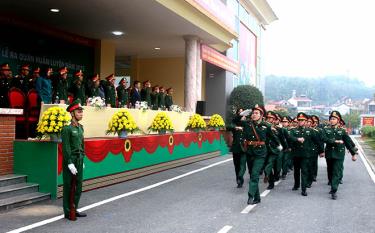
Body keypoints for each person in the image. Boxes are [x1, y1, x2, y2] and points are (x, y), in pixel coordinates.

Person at [240, 105, 281, 205]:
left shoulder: (265, 125)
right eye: (253, 113)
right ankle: (257, 198)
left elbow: (273, 137)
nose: (254, 115)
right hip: (249, 152)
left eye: (256, 113)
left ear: (261, 115)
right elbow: (236, 120)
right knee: (252, 175)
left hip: (261, 154)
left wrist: (279, 145)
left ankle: (250, 196)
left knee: (254, 175)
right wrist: (243, 113)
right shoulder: (248, 124)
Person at [320, 111, 357, 200]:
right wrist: (335, 141)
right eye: (331, 119)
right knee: (330, 170)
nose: (332, 120)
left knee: (336, 171)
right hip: (329, 153)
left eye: (334, 119)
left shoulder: (342, 131)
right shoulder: (325, 129)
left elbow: (348, 142)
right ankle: (332, 184)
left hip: (339, 154)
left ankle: (334, 190)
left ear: (338, 120)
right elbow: (324, 139)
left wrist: (353, 153)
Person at [62, 99, 87, 220]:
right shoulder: (66, 129)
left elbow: (82, 144)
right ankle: (68, 212)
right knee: (68, 186)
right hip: (70, 160)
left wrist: (83, 159)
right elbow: (66, 148)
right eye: (79, 112)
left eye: (81, 112)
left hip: (79, 159)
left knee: (79, 185)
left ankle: (74, 207)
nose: (81, 114)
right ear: (72, 114)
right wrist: (70, 163)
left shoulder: (81, 128)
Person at [288, 112, 323, 196]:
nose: (300, 121)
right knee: (296, 171)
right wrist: (297, 139)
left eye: (302, 120)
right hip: (296, 154)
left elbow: (317, 142)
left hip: (305, 155)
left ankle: (304, 189)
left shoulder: (310, 131)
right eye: (299, 120)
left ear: (306, 121)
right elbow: (289, 137)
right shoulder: (293, 130)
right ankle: (296, 185)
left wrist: (321, 151)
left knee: (304, 171)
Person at [228, 108, 247, 188]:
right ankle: (239, 181)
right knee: (237, 165)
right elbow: (228, 127)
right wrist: (236, 127)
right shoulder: (234, 124)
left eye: (242, 112)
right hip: (236, 148)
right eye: (239, 112)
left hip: (244, 148)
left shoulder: (247, 124)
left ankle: (240, 177)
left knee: (242, 165)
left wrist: (244, 120)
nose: (241, 114)